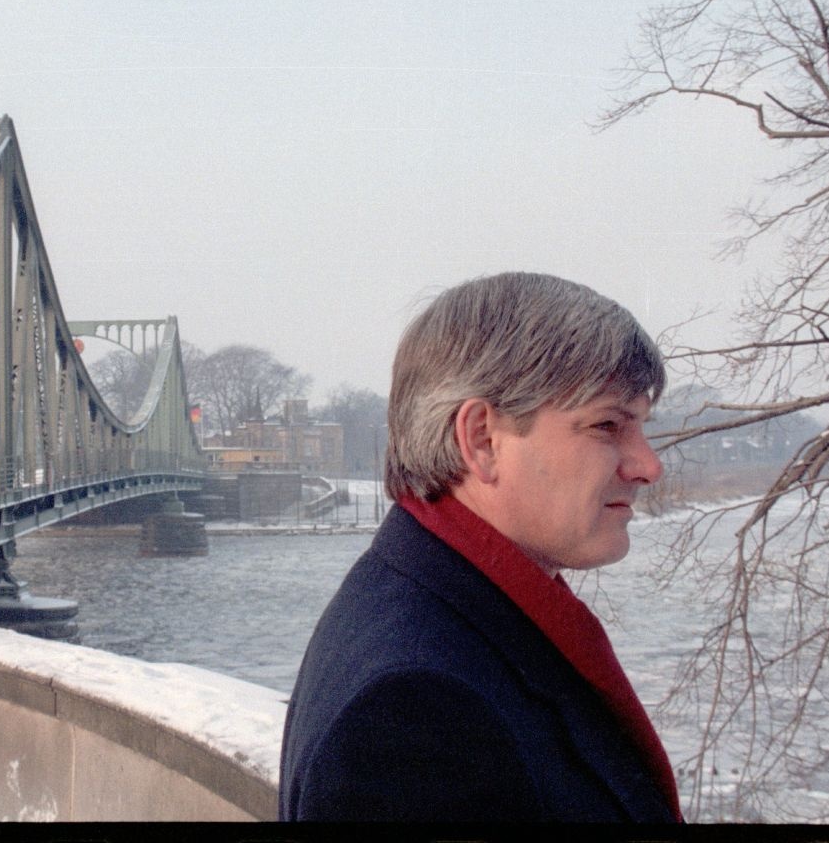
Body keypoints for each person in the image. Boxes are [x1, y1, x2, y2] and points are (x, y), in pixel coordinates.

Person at [279, 272, 683, 822]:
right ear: (482, 440)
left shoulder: (416, 605)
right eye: (608, 425)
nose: (648, 466)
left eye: (640, 426)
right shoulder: (415, 717)